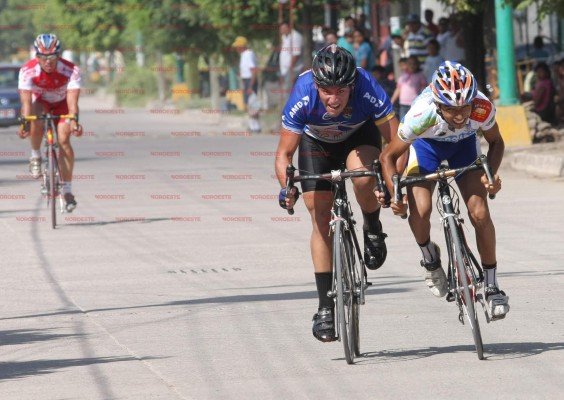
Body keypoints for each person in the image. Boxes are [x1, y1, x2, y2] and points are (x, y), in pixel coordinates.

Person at [274, 44, 401, 342]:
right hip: (315, 142)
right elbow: (284, 155)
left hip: (359, 135)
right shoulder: (302, 94)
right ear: (316, 85)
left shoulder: (368, 87)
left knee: (362, 178)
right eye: (327, 90)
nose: (334, 98)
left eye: (341, 91)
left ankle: (372, 227)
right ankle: (325, 308)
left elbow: (397, 143)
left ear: (352, 85)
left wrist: (391, 182)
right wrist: (286, 188)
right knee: (319, 215)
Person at [380, 61, 510, 321]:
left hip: (464, 147)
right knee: (422, 209)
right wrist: (395, 194)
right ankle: (430, 258)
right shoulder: (420, 114)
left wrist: (489, 176)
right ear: (437, 105)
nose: (461, 116)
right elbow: (388, 157)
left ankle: (492, 285)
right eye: (451, 109)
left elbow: (496, 142)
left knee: (480, 212)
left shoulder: (482, 107)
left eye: (465, 107)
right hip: (427, 148)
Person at [18, 33, 83, 212]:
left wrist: (74, 121)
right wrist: (24, 124)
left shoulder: (71, 70)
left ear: (58, 56)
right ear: (37, 57)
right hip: (42, 101)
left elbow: (72, 102)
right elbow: (26, 103)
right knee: (35, 120)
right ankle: (36, 155)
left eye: (52, 57)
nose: (48, 61)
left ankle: (68, 192)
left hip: (62, 104)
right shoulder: (27, 71)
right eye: (44, 57)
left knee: (63, 140)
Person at [232, 36, 261, 133]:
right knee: (249, 104)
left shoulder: (248, 54)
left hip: (250, 81)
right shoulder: (243, 55)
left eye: (237, 46)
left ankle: (255, 126)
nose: (236, 48)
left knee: (253, 104)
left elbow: (253, 70)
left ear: (242, 46)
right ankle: (252, 125)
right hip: (246, 80)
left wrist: (250, 86)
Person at [390, 55, 427, 121]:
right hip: (403, 105)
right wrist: (392, 101)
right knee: (402, 123)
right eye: (410, 64)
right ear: (407, 64)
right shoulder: (403, 75)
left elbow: (426, 89)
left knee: (414, 122)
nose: (412, 66)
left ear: (418, 64)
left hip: (414, 104)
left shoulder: (420, 75)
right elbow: (398, 89)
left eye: (414, 64)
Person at [279, 22, 304, 95]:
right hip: (285, 69)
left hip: (293, 69)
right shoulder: (284, 37)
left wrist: (290, 68)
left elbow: (296, 54)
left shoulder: (295, 36)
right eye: (281, 29)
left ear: (289, 27)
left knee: (289, 91)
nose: (282, 30)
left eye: (283, 28)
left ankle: (290, 106)